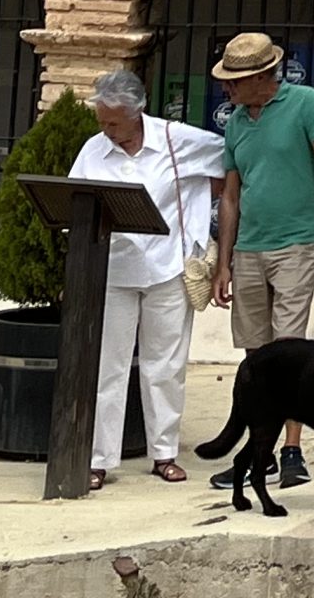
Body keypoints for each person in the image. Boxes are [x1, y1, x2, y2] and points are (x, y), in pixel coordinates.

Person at [67, 68, 226, 493]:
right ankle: (99, 459)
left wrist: (198, 213)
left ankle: (164, 454)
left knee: (166, 366)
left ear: (137, 113)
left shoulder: (177, 140)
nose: (106, 130)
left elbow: (231, 161)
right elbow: (75, 203)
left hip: (167, 269)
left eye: (113, 123)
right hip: (113, 270)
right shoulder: (93, 150)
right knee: (108, 367)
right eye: (102, 121)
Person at [208, 31, 314, 491]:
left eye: (235, 81)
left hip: (296, 244)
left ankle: (291, 450)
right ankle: (260, 453)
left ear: (263, 76)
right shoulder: (235, 123)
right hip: (249, 247)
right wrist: (223, 262)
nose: (226, 89)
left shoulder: (305, 102)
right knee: (256, 357)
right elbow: (230, 196)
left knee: (289, 350)